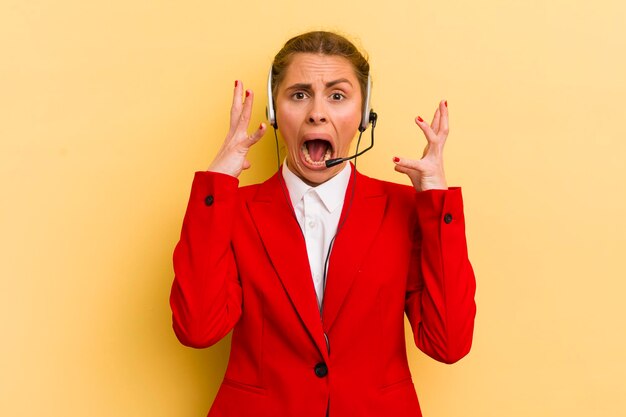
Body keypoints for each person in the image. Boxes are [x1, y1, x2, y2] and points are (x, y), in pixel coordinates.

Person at [170, 31, 476, 417]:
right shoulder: (231, 210)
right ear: (274, 110)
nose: (317, 112)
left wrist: (436, 202)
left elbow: (447, 343)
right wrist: (218, 185)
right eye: (299, 94)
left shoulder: (405, 210)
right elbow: (198, 329)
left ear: (364, 114)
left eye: (337, 95)